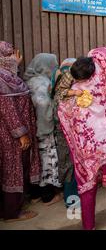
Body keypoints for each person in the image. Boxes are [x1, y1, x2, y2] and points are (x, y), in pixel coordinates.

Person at [58, 49, 106, 230]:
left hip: (86, 149)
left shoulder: (73, 91)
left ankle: (89, 226)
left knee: (87, 186)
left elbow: (62, 114)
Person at [0, 42, 40, 222]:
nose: (14, 59)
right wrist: (21, 134)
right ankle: (12, 213)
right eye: (9, 56)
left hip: (13, 134)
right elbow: (8, 110)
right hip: (11, 136)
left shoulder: (9, 77)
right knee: (13, 170)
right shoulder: (2, 80)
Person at [24, 53, 63, 206]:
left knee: (36, 161)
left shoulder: (30, 81)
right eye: (53, 64)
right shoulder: (41, 83)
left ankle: (35, 195)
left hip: (32, 128)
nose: (55, 67)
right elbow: (42, 104)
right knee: (47, 160)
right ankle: (48, 195)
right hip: (43, 129)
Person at [51, 58, 80, 206]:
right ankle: (72, 201)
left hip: (73, 135)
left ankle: (74, 198)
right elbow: (58, 116)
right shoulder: (61, 95)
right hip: (65, 135)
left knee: (74, 166)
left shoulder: (75, 92)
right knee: (69, 166)